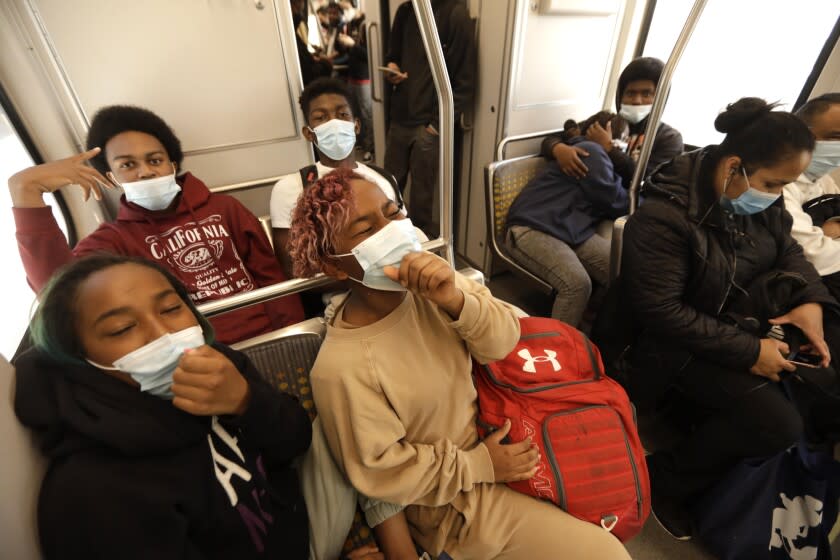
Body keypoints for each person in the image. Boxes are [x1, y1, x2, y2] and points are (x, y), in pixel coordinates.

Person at [288, 168, 632, 559]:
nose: (392, 231)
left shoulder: (434, 287)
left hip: (512, 434)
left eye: (392, 213)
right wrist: (481, 464)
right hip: (456, 502)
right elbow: (382, 473)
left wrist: (455, 300)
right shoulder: (342, 367)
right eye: (367, 229)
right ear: (334, 265)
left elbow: (504, 342)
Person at [13, 254, 420, 560]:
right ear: (80, 358)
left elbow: (295, 440)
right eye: (122, 329)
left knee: (350, 419)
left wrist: (246, 401)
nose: (165, 334)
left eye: (172, 309)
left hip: (294, 515)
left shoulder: (218, 362)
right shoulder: (95, 494)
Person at [617, 98, 840, 540]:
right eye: (774, 184)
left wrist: (812, 301)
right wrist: (751, 351)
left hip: (733, 323)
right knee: (778, 423)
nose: (778, 197)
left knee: (828, 377)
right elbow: (662, 312)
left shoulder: (757, 200)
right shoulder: (665, 217)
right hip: (663, 345)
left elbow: (790, 251)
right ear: (734, 166)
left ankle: (722, 462)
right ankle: (666, 479)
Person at [10, 105, 304, 345]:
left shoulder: (225, 209)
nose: (145, 173)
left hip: (271, 336)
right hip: (192, 356)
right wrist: (27, 191)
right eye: (128, 165)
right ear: (111, 178)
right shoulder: (114, 241)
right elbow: (57, 290)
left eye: (154, 160)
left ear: (172, 166)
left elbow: (273, 280)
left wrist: (292, 335)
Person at [270, 77, 407, 279]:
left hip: (396, 279)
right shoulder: (292, 188)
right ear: (309, 134)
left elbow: (404, 236)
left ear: (356, 126)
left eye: (342, 114)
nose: (334, 123)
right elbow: (292, 268)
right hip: (335, 292)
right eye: (321, 117)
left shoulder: (383, 178)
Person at [505, 111, 629, 327]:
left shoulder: (587, 152)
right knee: (577, 284)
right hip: (533, 227)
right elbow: (618, 202)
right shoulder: (592, 152)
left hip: (569, 229)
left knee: (621, 267)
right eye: (623, 140)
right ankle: (558, 351)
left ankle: (588, 329)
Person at [383, 0, 476, 238]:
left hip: (429, 125)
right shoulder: (405, 11)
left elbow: (465, 82)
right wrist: (392, 69)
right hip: (400, 118)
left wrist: (436, 126)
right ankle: (388, 243)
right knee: (387, 190)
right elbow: (393, 55)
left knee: (422, 200)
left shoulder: (455, 14)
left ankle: (421, 252)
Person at [541, 57, 683, 185]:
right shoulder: (605, 121)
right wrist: (558, 149)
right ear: (620, 96)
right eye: (630, 93)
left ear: (660, 98)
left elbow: (646, 180)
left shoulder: (669, 138)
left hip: (623, 205)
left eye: (646, 94)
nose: (637, 101)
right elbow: (554, 139)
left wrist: (608, 148)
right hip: (584, 191)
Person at [783, 93, 840, 302]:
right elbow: (814, 257)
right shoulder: (774, 186)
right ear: (800, 135)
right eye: (836, 137)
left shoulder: (823, 182)